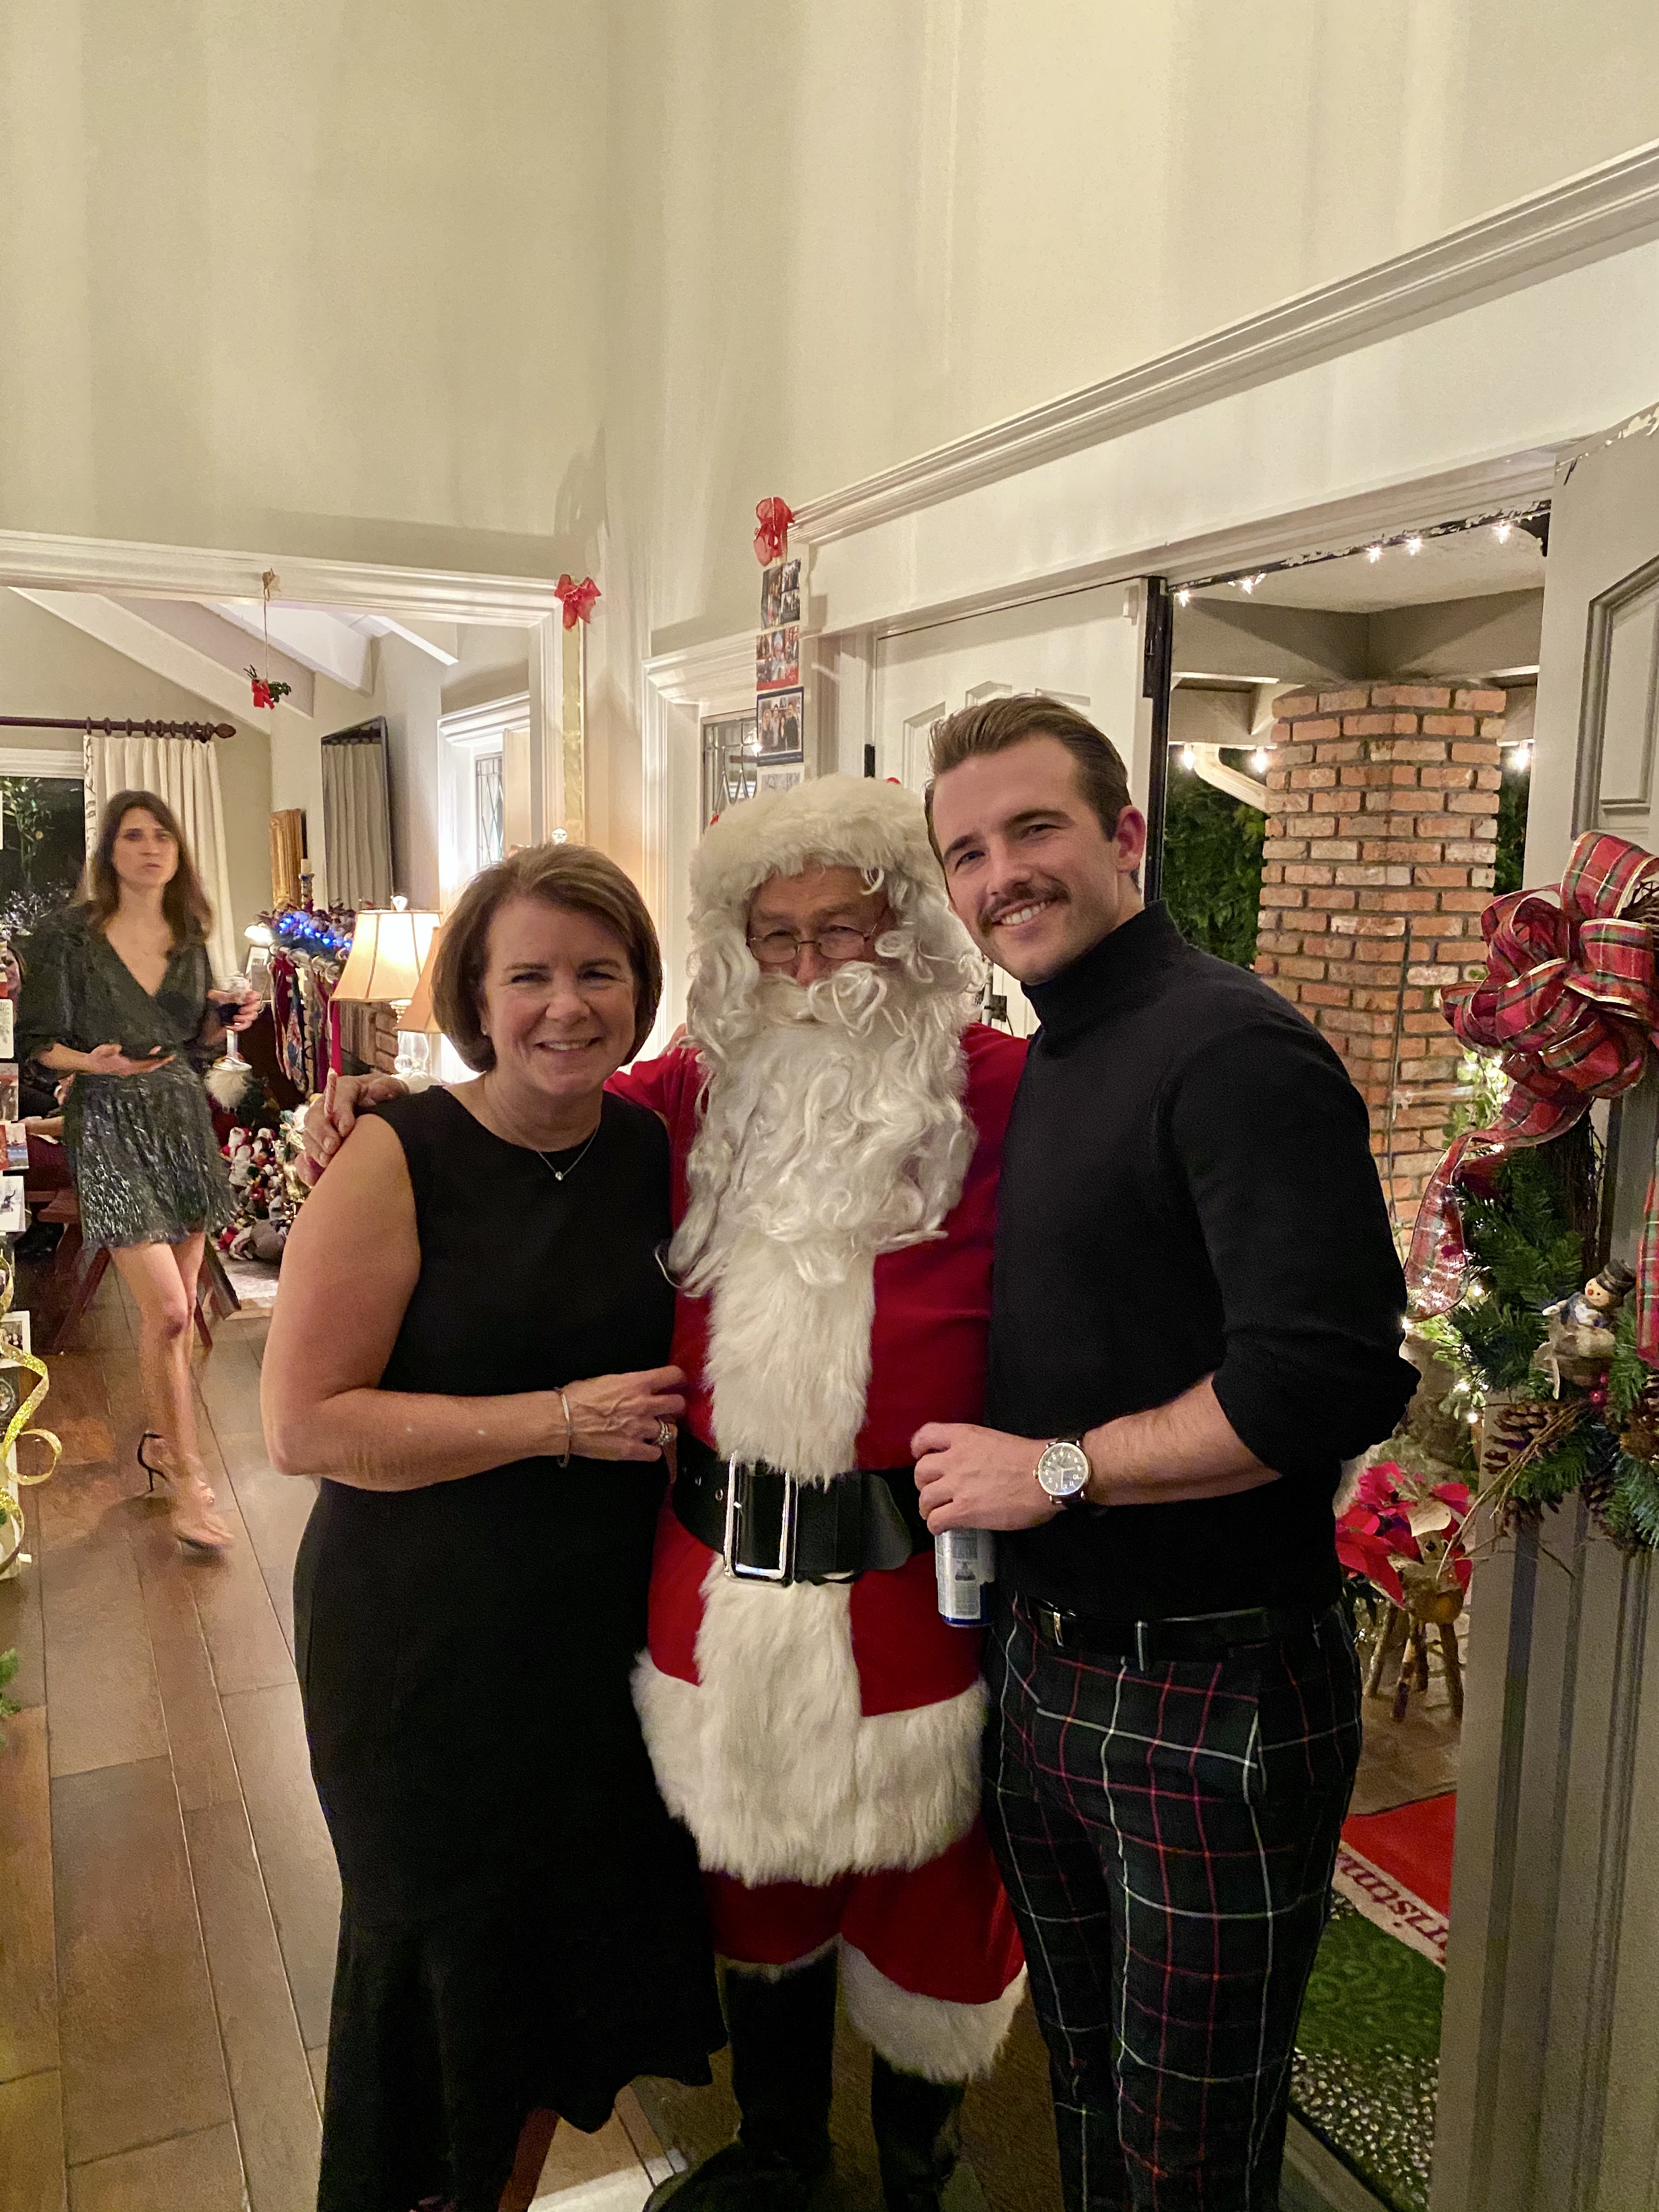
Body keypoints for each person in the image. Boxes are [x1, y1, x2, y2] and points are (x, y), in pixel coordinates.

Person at [306, 780, 1029, 2212]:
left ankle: (919, 2177)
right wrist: (393, 1110)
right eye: (778, 935)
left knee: (933, 1905)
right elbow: (528, 1118)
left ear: (908, 927)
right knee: (749, 1888)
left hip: (918, 1582)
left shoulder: (1008, 1092)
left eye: (845, 929)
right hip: (714, 1578)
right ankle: (777, 2156)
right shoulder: (696, 1092)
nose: (812, 966)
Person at [916, 696, 1419, 2212]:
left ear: (1126, 833)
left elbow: (1321, 1382)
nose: (1002, 872)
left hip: (1213, 1698)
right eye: (967, 851)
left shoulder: (1232, 1047)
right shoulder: (1056, 1053)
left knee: (1188, 2158)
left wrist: (1051, 1470)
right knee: (1082, 2091)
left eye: (1036, 828)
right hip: (1048, 1672)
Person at [262, 844, 724, 2212]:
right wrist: (555, 1421)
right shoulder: (396, 1157)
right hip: (423, 1647)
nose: (564, 1006)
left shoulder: (653, 1147)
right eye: (529, 977)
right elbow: (304, 1426)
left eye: (598, 973)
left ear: (641, 990)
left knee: (544, 1980)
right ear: (475, 994)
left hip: (594, 1643)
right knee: (441, 1973)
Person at [17, 790, 256, 1552]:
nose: (150, 849)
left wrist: (226, 1020)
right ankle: (190, 1482)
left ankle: (160, 1444)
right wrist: (96, 1063)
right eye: (133, 836)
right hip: (109, 1124)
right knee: (172, 1313)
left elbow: (192, 1040)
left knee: (175, 1314)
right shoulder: (66, 937)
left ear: (178, 851)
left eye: (162, 836)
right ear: (110, 851)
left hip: (180, 1119)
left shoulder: (190, 936)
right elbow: (38, 1044)